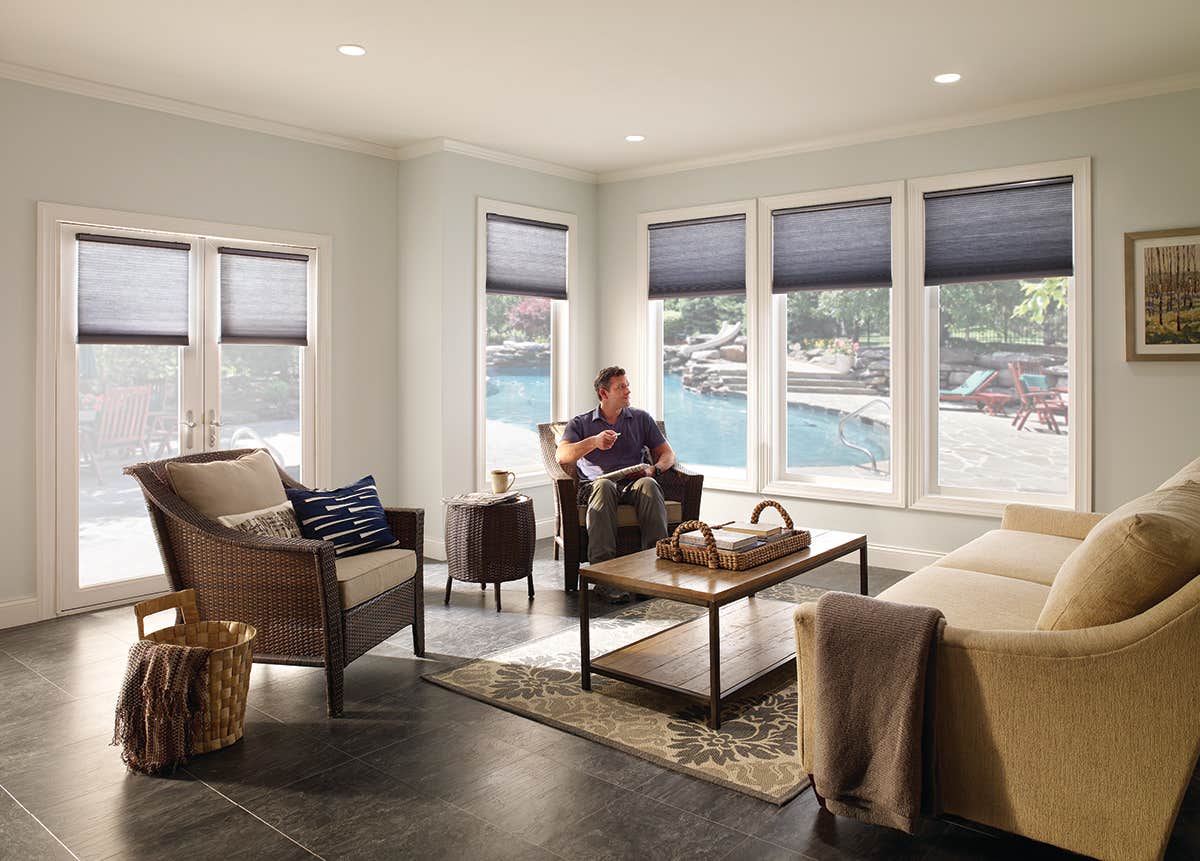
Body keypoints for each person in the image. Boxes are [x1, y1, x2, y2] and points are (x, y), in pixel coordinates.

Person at [556, 366, 677, 601]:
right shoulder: (580, 423)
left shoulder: (640, 418)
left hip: (632, 484)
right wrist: (593, 442)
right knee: (604, 486)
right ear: (604, 393)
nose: (627, 390)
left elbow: (668, 454)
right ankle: (604, 578)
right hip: (596, 486)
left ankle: (653, 574)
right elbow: (562, 456)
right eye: (621, 387)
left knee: (649, 485)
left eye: (627, 385)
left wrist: (654, 469)